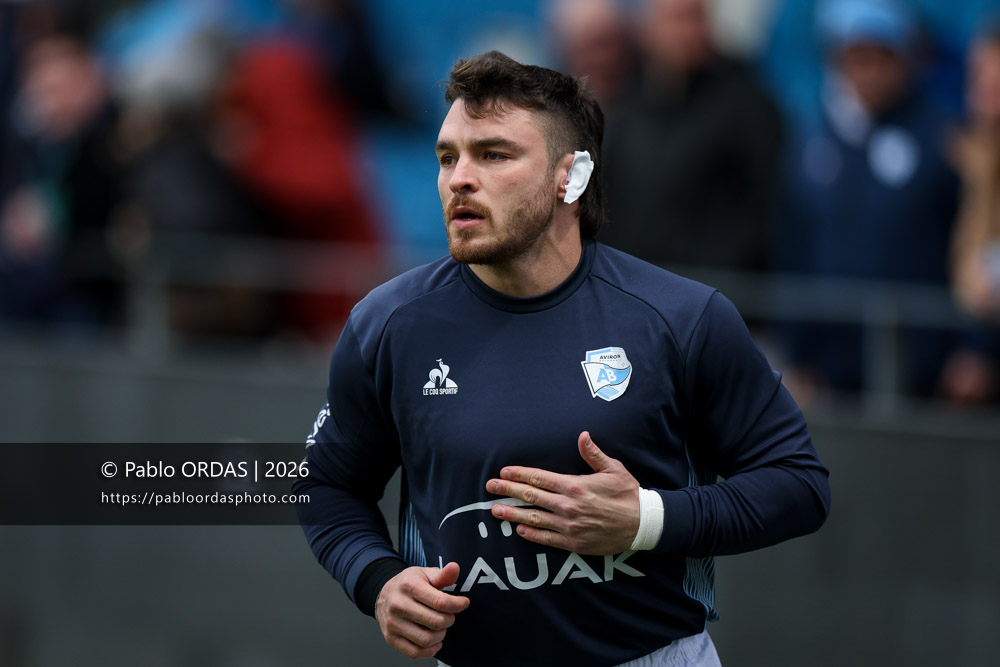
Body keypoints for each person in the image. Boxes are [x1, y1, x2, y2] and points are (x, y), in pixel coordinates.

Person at [294, 51, 830, 667]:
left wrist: (646, 520)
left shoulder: (684, 319)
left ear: (570, 177)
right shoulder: (387, 325)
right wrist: (378, 580)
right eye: (448, 157)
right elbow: (325, 484)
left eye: (493, 155)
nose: (459, 179)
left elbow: (799, 484)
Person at [599, 0, 783, 272]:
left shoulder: (748, 107)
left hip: (712, 296)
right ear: (645, 27)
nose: (689, 32)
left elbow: (761, 217)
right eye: (678, 19)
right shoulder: (625, 105)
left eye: (697, 19)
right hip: (636, 291)